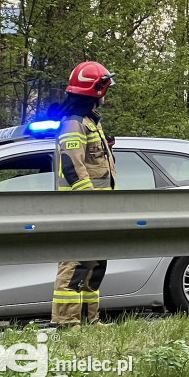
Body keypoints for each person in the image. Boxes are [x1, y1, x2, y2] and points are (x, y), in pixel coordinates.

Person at [51, 61, 117, 327]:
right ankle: (66, 322)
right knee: (74, 265)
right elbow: (72, 167)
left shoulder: (90, 122)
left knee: (94, 265)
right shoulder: (73, 124)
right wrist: (88, 201)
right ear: (96, 91)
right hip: (79, 207)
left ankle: (90, 321)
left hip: (96, 207)